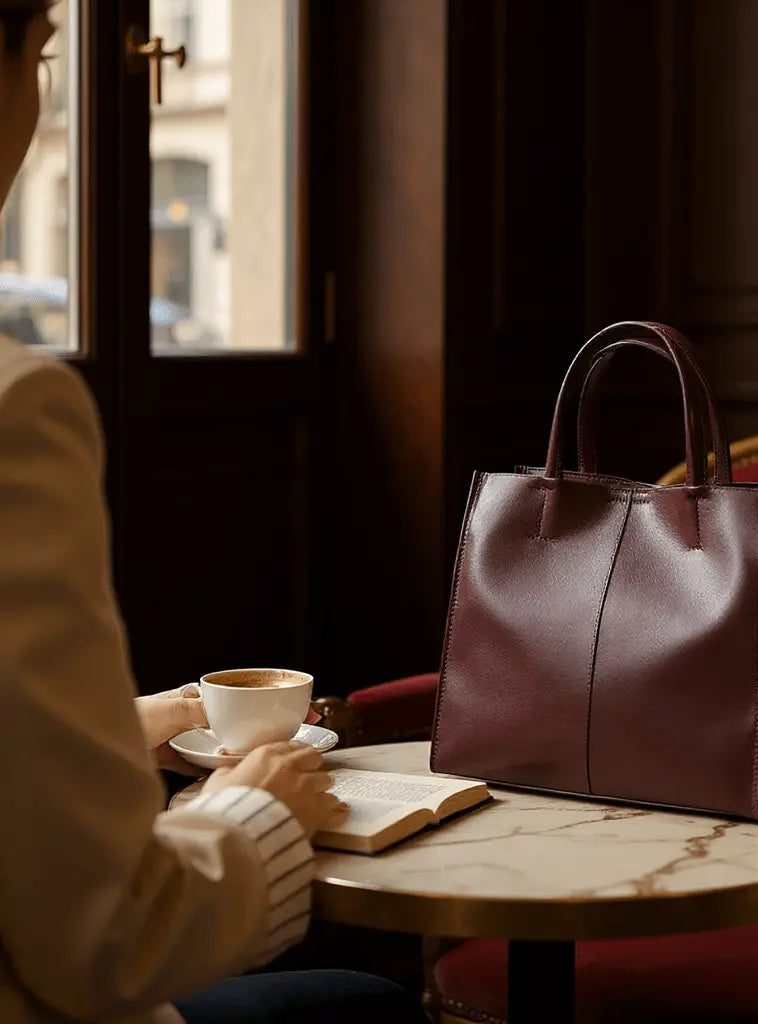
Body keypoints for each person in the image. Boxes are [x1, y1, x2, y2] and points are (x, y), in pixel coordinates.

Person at [0, 3, 426, 1022]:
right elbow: (105, 935)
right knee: (363, 1003)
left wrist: (129, 725)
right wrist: (256, 811)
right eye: (48, 53)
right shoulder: (17, 411)